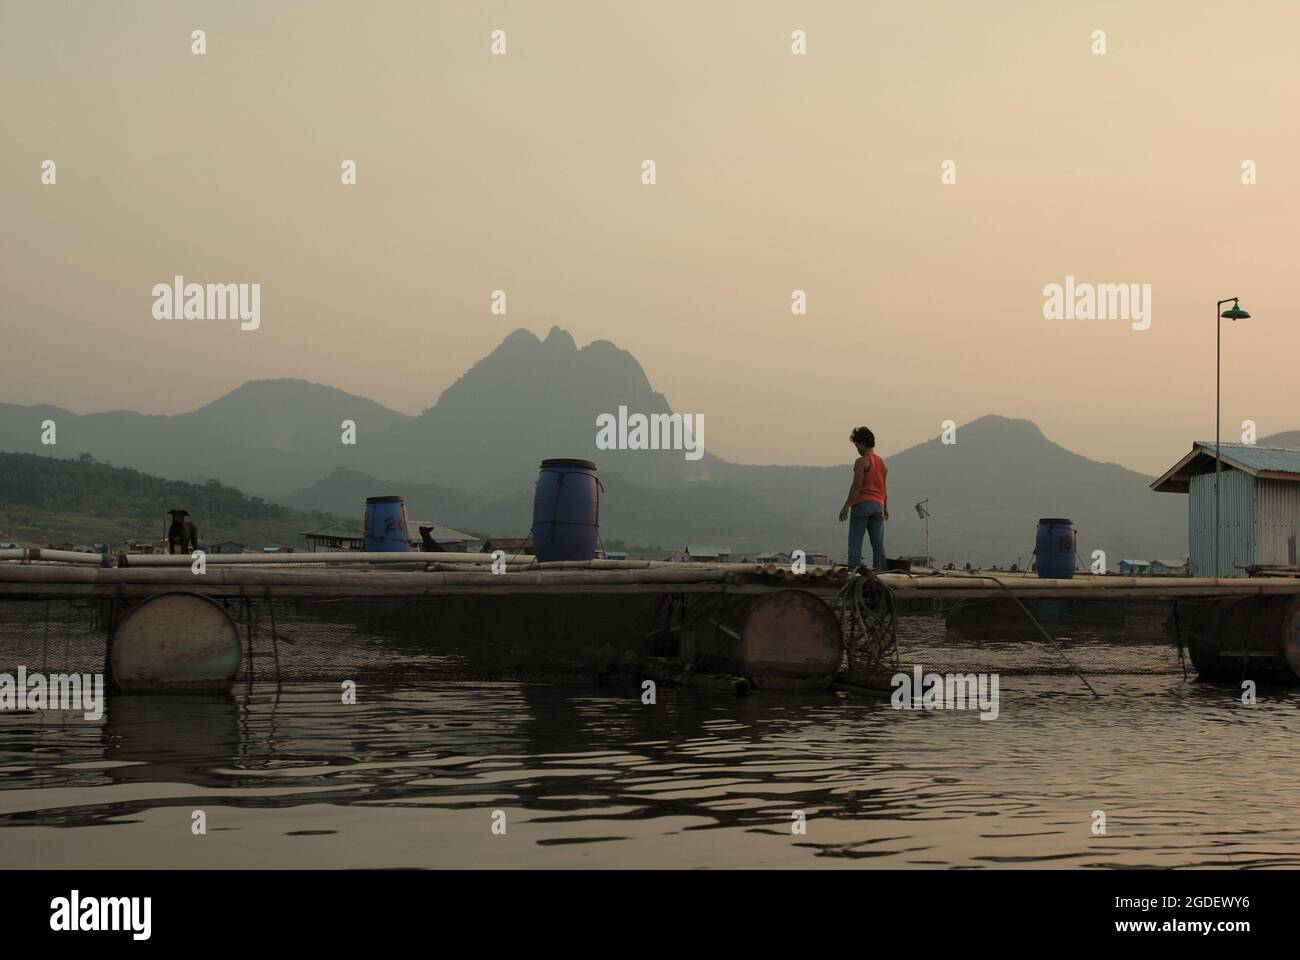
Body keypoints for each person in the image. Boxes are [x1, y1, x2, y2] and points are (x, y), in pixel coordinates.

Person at [838, 426, 888, 571]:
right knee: (878, 543)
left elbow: (856, 485)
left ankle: (852, 571)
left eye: (857, 445)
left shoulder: (862, 461)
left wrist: (846, 506)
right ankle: (881, 572)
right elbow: (884, 489)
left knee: (855, 542)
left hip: (862, 505)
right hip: (879, 505)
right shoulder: (883, 464)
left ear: (862, 443)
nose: (857, 449)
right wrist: (885, 508)